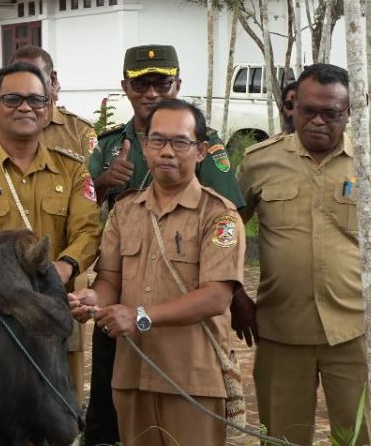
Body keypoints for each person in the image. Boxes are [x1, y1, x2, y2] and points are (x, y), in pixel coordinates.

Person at [238, 62, 371, 446]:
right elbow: (224, 229)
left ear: (348, 113)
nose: (317, 121)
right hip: (281, 331)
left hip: (357, 332)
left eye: (330, 113)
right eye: (308, 110)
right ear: (292, 106)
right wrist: (232, 293)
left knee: (364, 436)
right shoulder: (259, 161)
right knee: (281, 438)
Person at [83, 44, 244, 446]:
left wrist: (138, 316)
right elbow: (109, 278)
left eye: (180, 143)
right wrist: (92, 301)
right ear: (145, 144)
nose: (167, 152)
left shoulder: (218, 216)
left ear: (201, 150)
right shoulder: (125, 212)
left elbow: (215, 298)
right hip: (132, 370)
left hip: (192, 375)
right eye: (157, 141)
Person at [0, 62, 102, 403]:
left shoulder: (72, 169)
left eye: (35, 100)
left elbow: (88, 231)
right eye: (12, 99)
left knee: (58, 421)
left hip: (56, 316)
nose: (25, 107)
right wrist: (11, 282)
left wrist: (65, 267)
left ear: (48, 108)